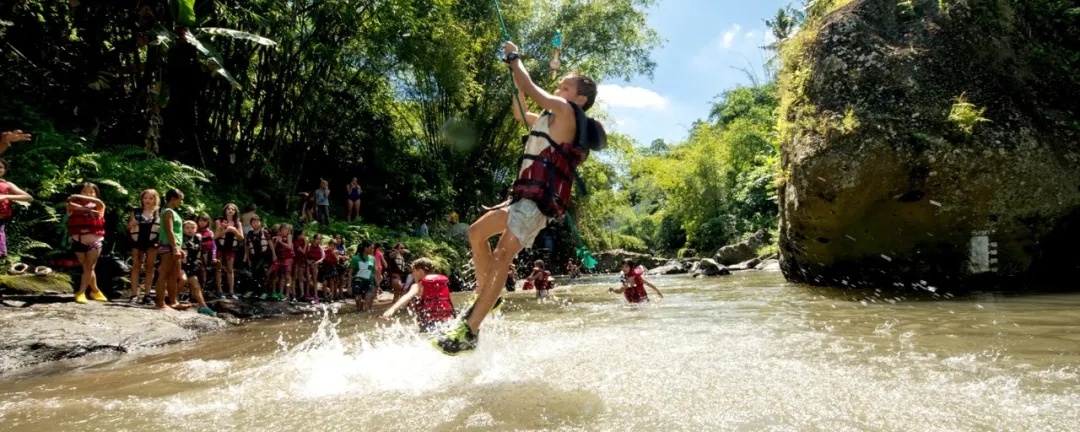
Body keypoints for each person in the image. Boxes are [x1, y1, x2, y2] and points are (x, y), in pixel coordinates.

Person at [433, 41, 606, 354]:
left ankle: (470, 328)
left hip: (536, 204)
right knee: (476, 231)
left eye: (565, 86)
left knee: (503, 254)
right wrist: (514, 73)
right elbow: (519, 109)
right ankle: (490, 295)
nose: (559, 87)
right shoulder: (547, 118)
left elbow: (529, 86)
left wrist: (514, 58)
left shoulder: (566, 112)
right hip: (521, 199)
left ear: (580, 98)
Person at [379, 257, 456, 332]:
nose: (412, 274)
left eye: (413, 271)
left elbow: (407, 297)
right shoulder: (442, 284)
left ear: (420, 271)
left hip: (429, 324)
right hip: (448, 322)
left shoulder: (418, 286)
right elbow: (449, 303)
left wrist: (391, 310)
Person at [67, 183, 108, 304]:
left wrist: (82, 197)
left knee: (89, 266)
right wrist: (85, 208)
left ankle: (81, 292)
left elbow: (98, 202)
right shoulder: (72, 205)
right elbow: (70, 205)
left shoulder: (99, 205)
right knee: (86, 267)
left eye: (91, 192)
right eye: (85, 192)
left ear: (96, 194)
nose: (88, 194)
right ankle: (95, 290)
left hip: (95, 239)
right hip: (78, 238)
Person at [127, 189, 161, 303]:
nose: (147, 200)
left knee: (150, 267)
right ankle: (134, 295)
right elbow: (128, 227)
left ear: (155, 199)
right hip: (137, 240)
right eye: (145, 198)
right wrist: (132, 224)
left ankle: (147, 295)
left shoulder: (159, 212)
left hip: (152, 241)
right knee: (136, 266)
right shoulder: (136, 210)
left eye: (151, 198)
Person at [154, 189, 185, 309]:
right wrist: (175, 247)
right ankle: (160, 303)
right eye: (181, 199)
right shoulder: (167, 212)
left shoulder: (173, 212)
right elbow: (169, 230)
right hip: (168, 246)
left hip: (174, 246)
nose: (182, 202)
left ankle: (173, 302)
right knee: (164, 274)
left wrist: (178, 248)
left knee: (174, 275)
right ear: (173, 199)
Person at [0, 158, 34, 259]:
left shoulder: (8, 185)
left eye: (1, 167)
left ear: (5, 170)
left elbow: (29, 197)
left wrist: (6, 196)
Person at [350, 240, 381, 312]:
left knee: (367, 306)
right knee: (359, 308)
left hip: (369, 283)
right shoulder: (355, 258)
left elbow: (375, 273)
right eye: (372, 248)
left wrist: (378, 285)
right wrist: (349, 286)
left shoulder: (373, 259)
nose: (373, 250)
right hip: (358, 283)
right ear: (365, 248)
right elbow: (350, 273)